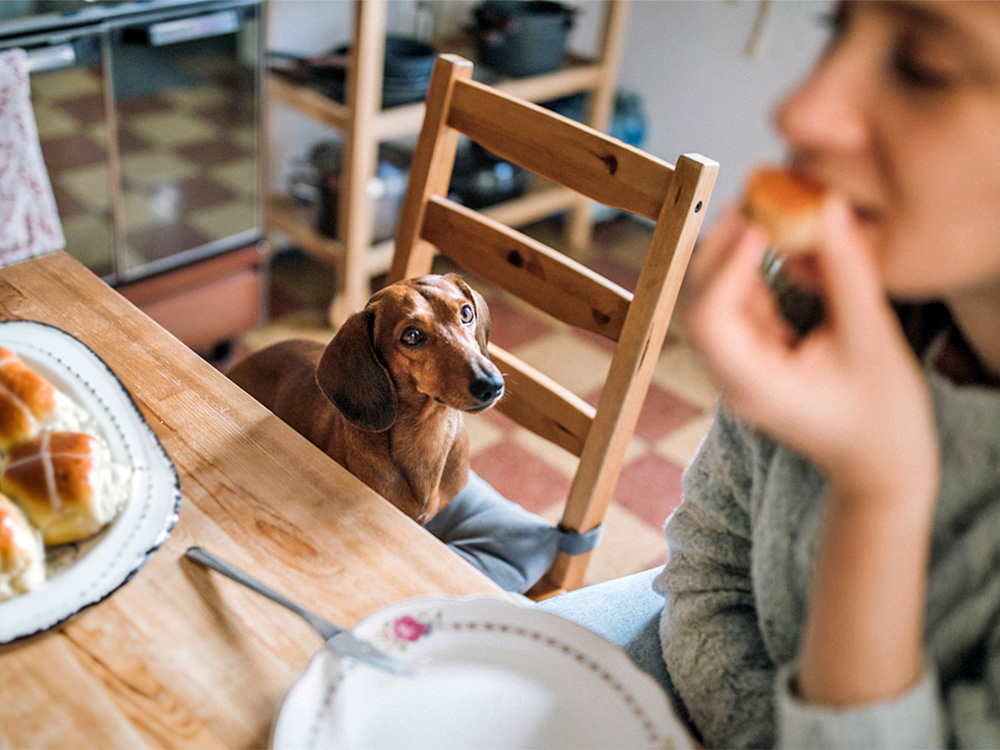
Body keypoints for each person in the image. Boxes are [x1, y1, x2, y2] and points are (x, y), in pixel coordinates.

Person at [537, 2, 1000, 747]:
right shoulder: (820, 304)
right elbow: (707, 567)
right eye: (838, 27)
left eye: (924, 65)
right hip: (679, 661)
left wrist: (878, 493)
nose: (799, 109)